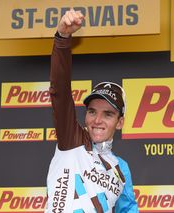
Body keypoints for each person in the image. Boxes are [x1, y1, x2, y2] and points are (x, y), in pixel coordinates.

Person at [46, 9, 139, 213]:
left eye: (108, 114)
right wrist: (62, 38)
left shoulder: (121, 168)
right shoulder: (72, 141)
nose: (97, 120)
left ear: (120, 122)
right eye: (92, 111)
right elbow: (60, 91)